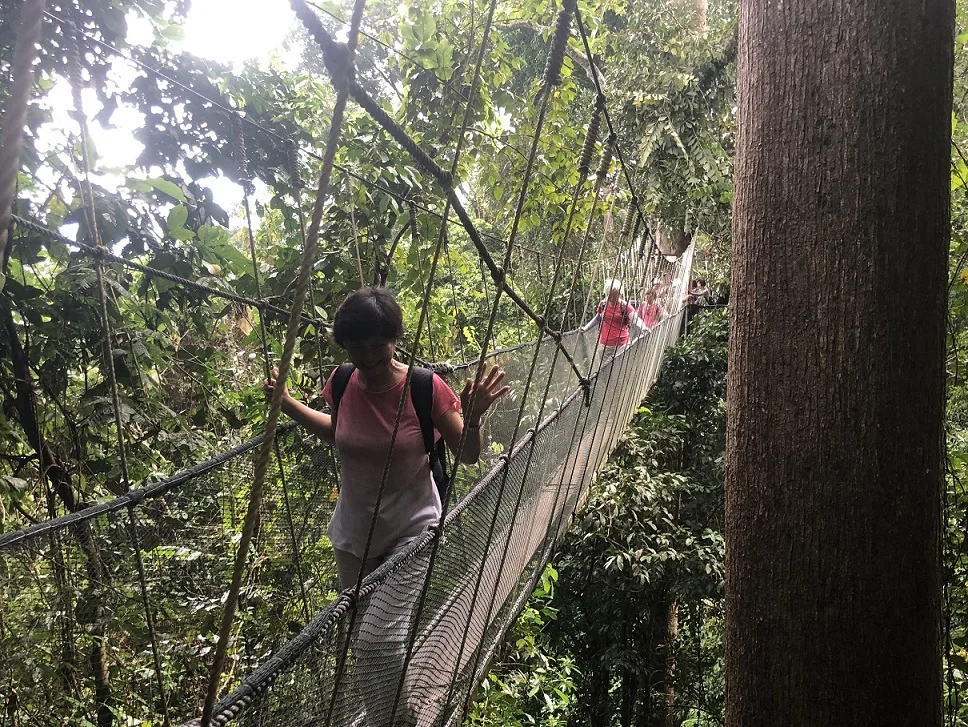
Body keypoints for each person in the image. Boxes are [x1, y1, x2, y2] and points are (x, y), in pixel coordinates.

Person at [264, 286, 509, 726]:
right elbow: (338, 431)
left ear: (395, 339)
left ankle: (399, 721)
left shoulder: (425, 388)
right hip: (354, 535)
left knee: (378, 640)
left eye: (379, 344)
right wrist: (287, 405)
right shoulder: (342, 381)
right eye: (357, 347)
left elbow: (468, 454)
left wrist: (473, 418)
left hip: (411, 530)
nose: (369, 356)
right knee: (361, 640)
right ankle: (387, 717)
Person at [581, 279, 647, 361]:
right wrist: (585, 328)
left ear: (620, 294)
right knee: (604, 368)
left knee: (620, 367)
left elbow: (635, 319)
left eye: (614, 295)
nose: (612, 298)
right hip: (605, 346)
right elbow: (598, 318)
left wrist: (643, 327)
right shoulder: (603, 304)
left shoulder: (625, 306)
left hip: (622, 345)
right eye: (609, 295)